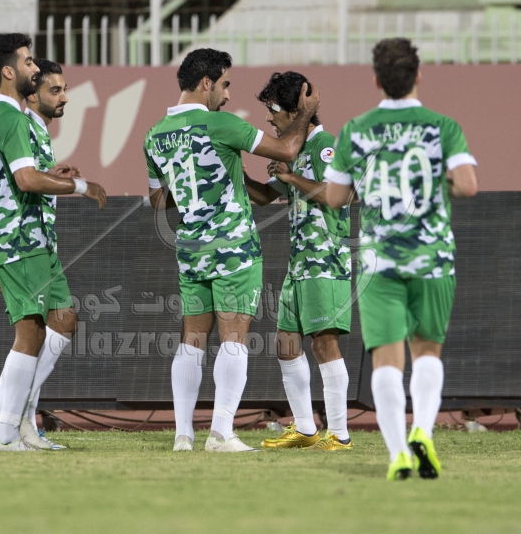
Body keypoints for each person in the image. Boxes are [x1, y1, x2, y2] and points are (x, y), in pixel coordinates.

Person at [144, 48, 319, 452]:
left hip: (191, 249)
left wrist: (194, 191)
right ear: (205, 83)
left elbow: (157, 200)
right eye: (224, 85)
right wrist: (307, 113)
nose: (226, 95)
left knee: (191, 340)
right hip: (233, 249)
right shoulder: (222, 124)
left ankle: (183, 436)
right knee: (234, 340)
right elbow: (288, 149)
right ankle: (221, 433)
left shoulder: (154, 134)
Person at [325, 38, 477, 479]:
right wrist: (436, 189)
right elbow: (467, 185)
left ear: (377, 81)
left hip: (380, 263)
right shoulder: (442, 126)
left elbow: (334, 197)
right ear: (418, 75)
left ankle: (398, 455)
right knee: (427, 351)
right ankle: (423, 431)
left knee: (386, 360)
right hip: (432, 258)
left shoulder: (357, 129)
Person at [0, 34, 106, 451]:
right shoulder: (11, 116)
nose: (35, 67)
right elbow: (25, 180)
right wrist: (81, 186)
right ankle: (4, 430)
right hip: (21, 238)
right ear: (8, 71)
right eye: (29, 62)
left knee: (62, 319)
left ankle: (21, 424)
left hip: (31, 240)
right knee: (30, 333)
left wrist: (52, 176)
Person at [242, 71, 352, 451]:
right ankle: (305, 429)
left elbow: (339, 195)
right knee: (286, 344)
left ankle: (339, 434)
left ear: (294, 110)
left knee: (324, 345)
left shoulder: (325, 146)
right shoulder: (295, 151)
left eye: (273, 110)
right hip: (300, 265)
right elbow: (264, 196)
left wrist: (291, 179)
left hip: (326, 261)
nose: (268, 118)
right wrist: (236, 174)